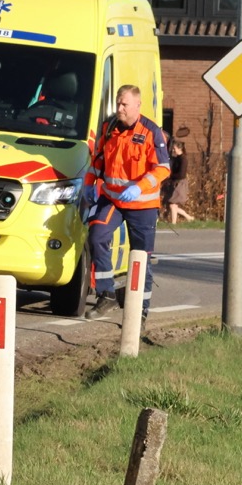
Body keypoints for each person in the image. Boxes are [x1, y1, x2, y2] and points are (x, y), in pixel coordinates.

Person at [83, 85, 170, 323]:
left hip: (142, 205)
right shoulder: (109, 126)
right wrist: (89, 183)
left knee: (141, 258)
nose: (120, 108)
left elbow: (163, 168)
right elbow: (99, 159)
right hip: (112, 199)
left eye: (125, 104)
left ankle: (140, 312)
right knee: (97, 236)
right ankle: (106, 295)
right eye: (118, 103)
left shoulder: (151, 132)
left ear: (137, 105)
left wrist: (139, 187)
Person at [163, 139, 194, 223]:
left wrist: (170, 176)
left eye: (174, 149)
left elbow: (181, 174)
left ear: (180, 149)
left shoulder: (183, 159)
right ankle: (189, 217)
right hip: (175, 183)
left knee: (173, 204)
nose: (173, 150)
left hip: (180, 183)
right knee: (172, 205)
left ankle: (174, 223)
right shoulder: (176, 158)